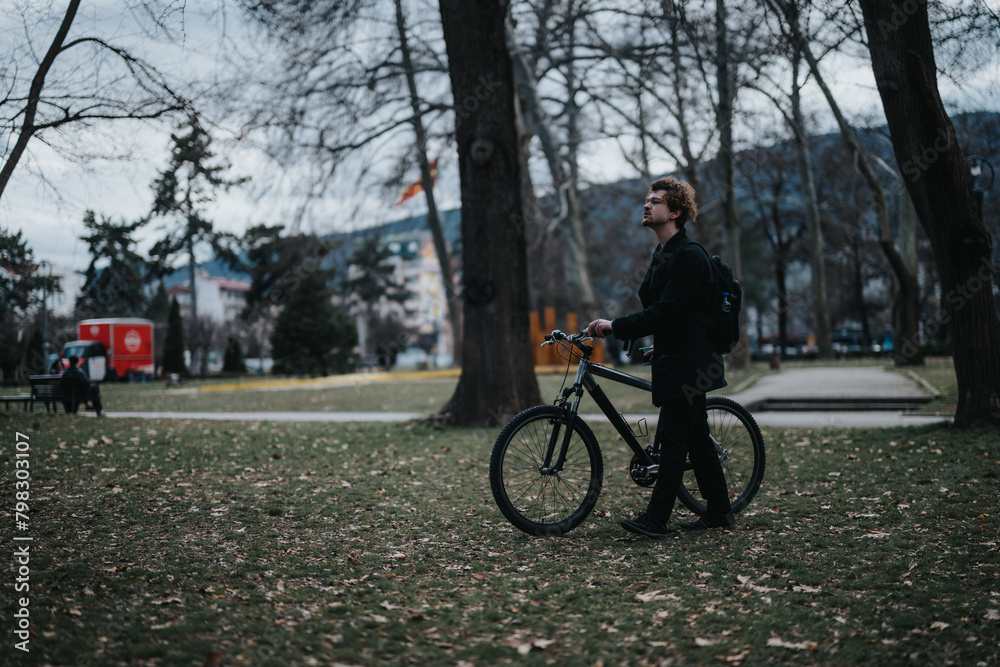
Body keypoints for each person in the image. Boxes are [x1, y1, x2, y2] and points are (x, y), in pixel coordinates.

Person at [587, 176, 734, 537]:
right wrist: (659, 343)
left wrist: (615, 325)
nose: (647, 204)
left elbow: (668, 312)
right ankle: (719, 512)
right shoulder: (663, 254)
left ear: (676, 211)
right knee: (696, 439)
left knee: (672, 440)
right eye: (647, 199)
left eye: (655, 200)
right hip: (677, 357)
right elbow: (678, 317)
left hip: (692, 363)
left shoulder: (690, 256)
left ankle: (656, 519)